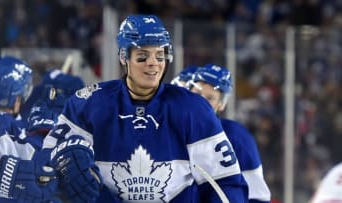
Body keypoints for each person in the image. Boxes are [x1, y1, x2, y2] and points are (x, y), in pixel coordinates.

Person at [43, 14, 248, 202]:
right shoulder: (88, 104)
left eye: (159, 56)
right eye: (142, 56)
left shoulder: (193, 109)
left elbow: (227, 182)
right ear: (124, 57)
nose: (153, 64)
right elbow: (48, 161)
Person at [188, 64, 271, 202]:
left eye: (210, 98)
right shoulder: (170, 131)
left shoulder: (236, 136)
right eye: (196, 94)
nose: (200, 102)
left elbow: (257, 195)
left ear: (221, 104)